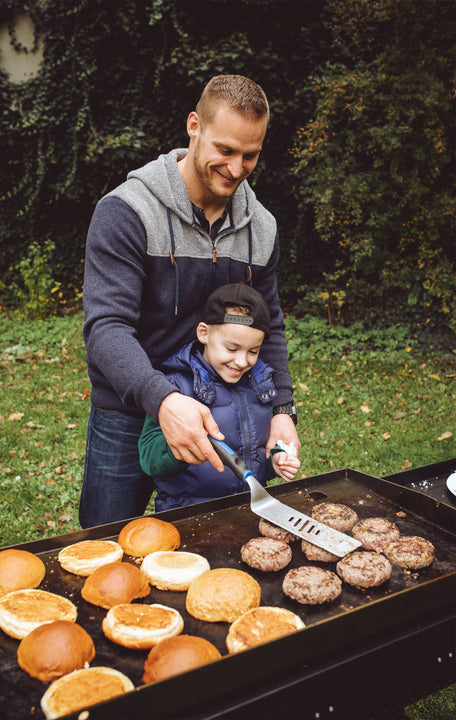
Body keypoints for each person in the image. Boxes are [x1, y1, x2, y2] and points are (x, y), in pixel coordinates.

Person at [80, 74, 300, 528]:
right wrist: (162, 400)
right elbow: (107, 328)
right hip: (129, 408)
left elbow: (270, 325)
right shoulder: (127, 212)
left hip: (222, 408)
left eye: (250, 155)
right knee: (105, 545)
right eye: (225, 150)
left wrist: (281, 410)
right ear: (194, 125)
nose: (236, 168)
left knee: (213, 543)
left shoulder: (261, 228)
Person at [138, 283, 300, 512]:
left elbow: (255, 450)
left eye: (253, 351)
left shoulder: (261, 387)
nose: (243, 361)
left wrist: (274, 462)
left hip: (248, 509)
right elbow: (148, 456)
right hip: (186, 512)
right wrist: (181, 450)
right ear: (204, 333)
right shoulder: (175, 387)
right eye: (232, 349)